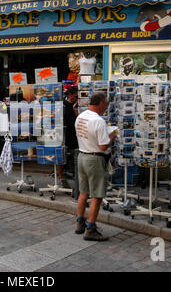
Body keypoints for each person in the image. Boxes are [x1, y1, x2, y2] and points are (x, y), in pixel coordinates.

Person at [74, 92, 117, 241]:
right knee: (97, 195)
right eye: (106, 104)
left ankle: (80, 222)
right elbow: (103, 146)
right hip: (95, 159)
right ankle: (91, 228)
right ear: (100, 103)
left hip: (82, 156)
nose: (106, 107)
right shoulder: (98, 121)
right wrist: (112, 135)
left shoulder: (81, 116)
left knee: (83, 192)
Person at [58, 86, 79, 188]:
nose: (77, 99)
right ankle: (62, 177)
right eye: (75, 96)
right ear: (70, 95)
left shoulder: (77, 106)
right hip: (65, 135)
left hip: (74, 135)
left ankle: (74, 175)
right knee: (62, 157)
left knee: (74, 155)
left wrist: (75, 109)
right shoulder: (63, 105)